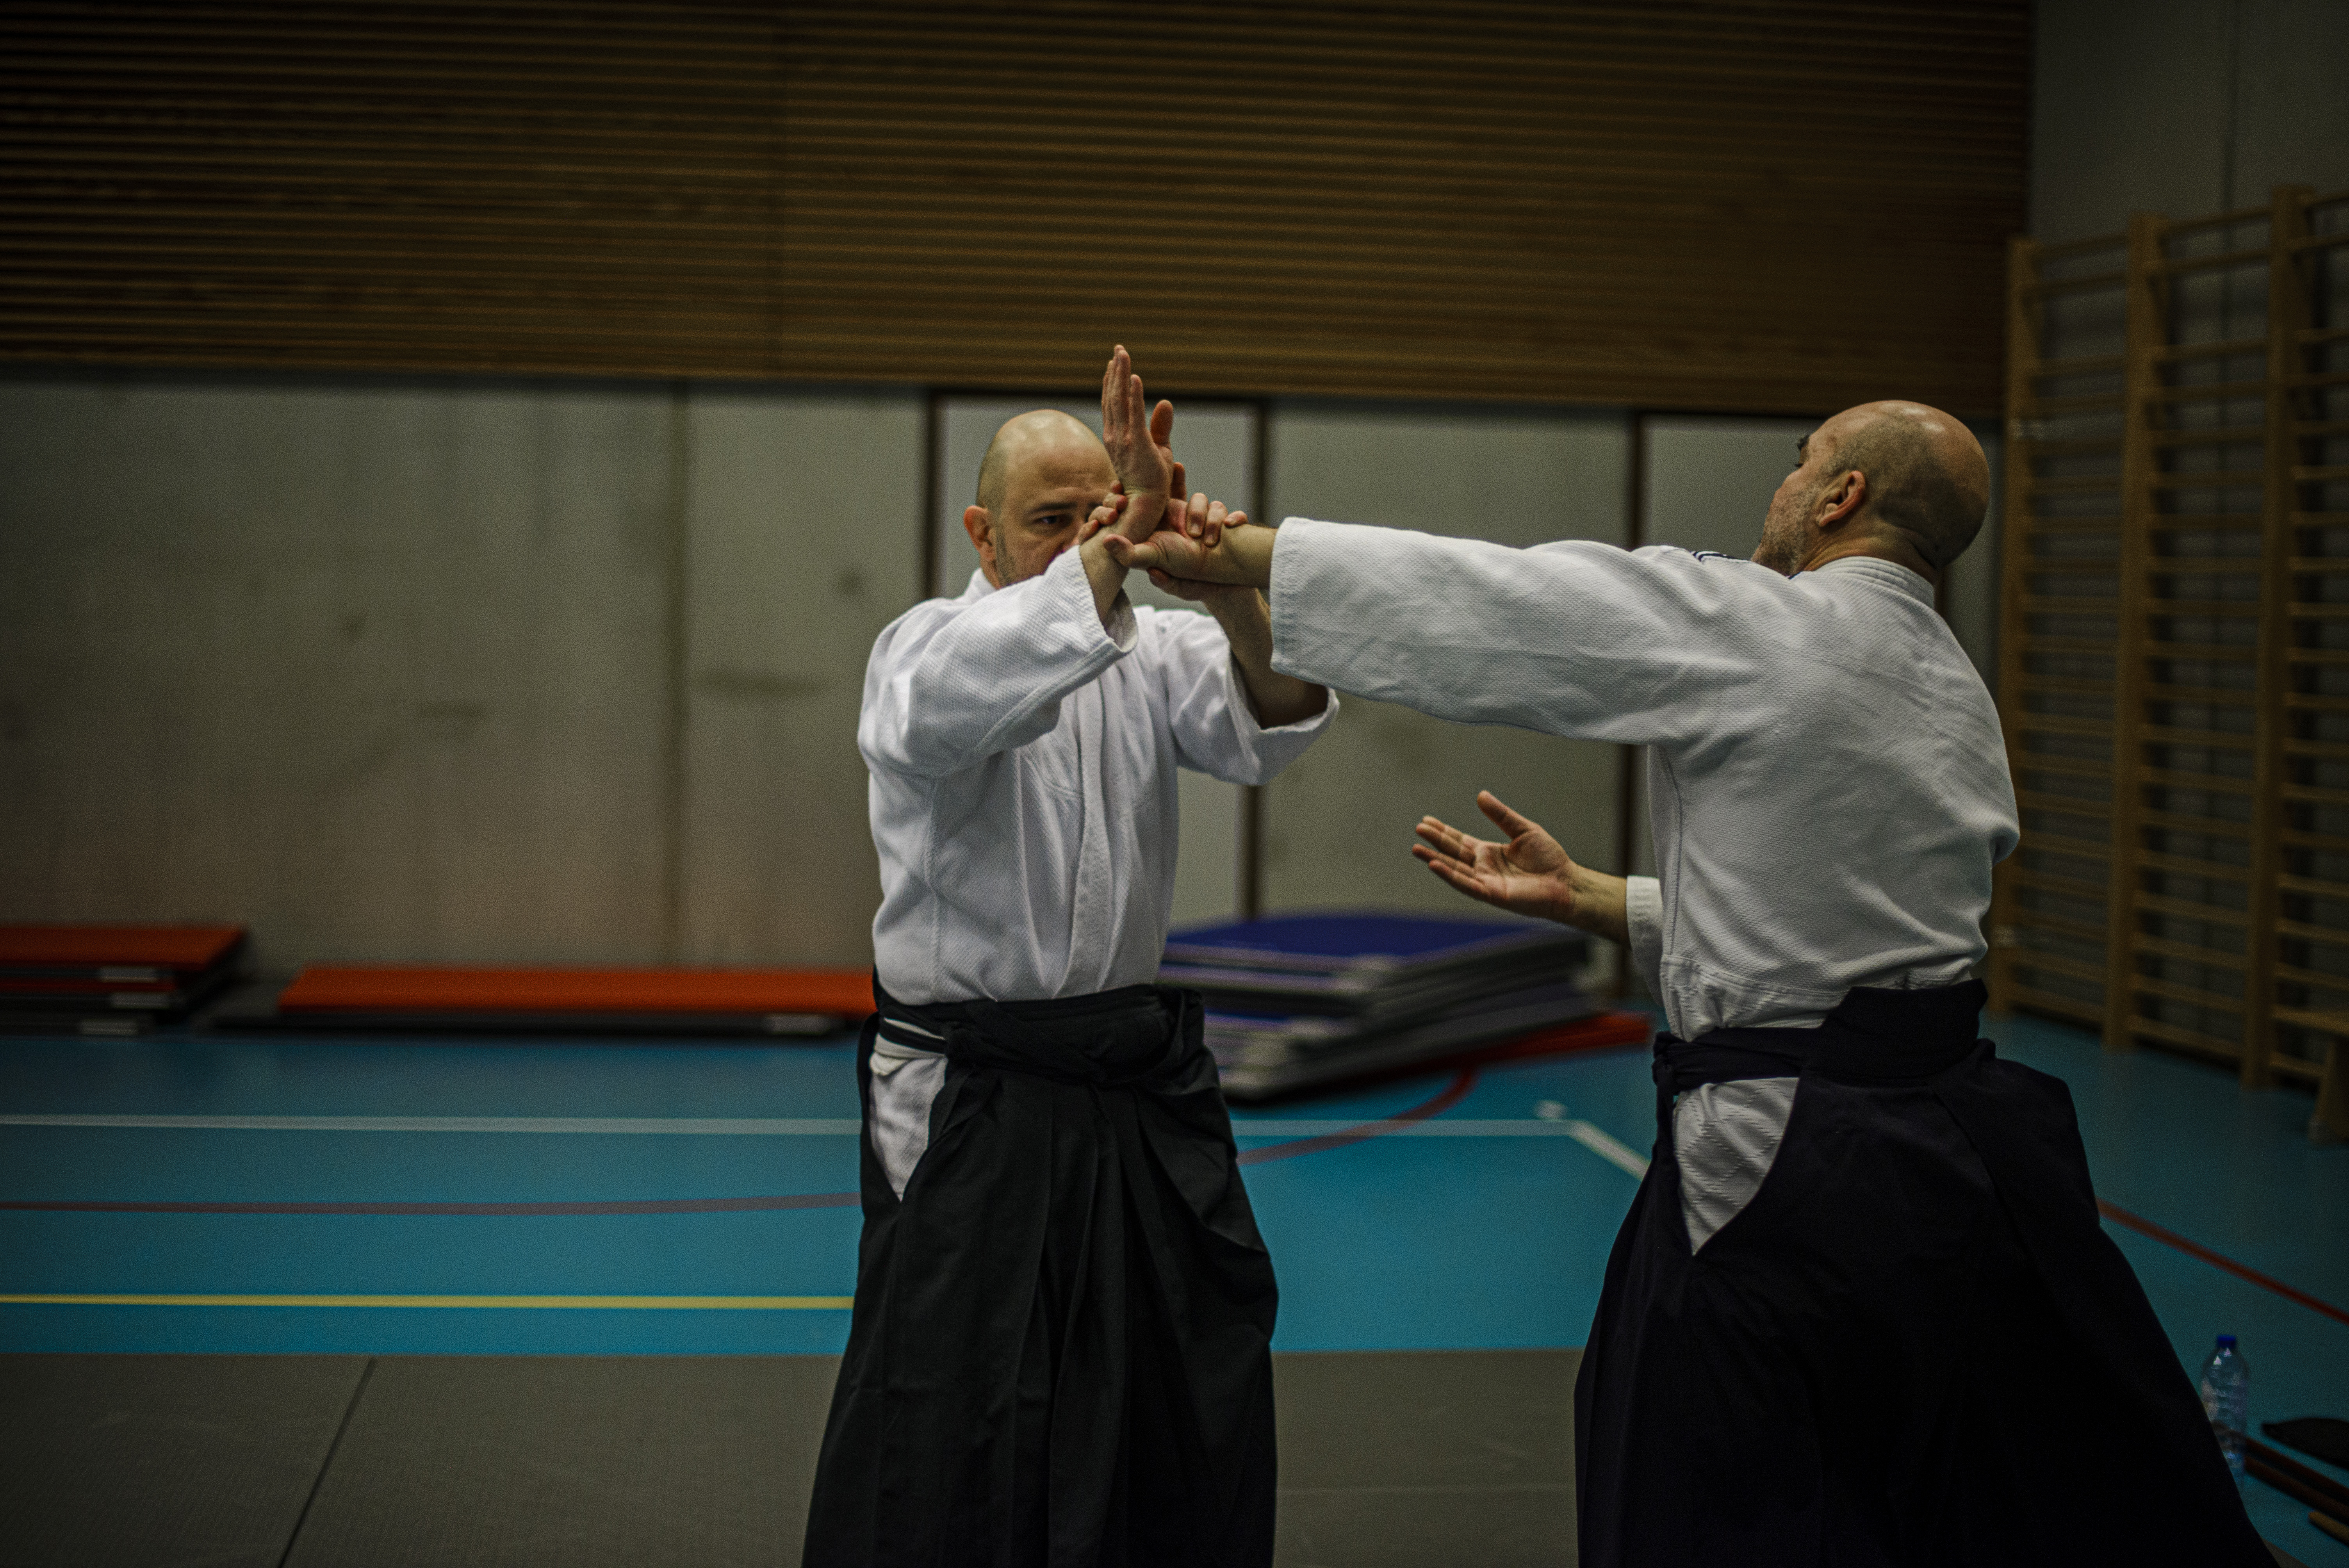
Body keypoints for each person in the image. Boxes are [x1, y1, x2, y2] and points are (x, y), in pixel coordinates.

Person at [1103, 352, 2271, 1566]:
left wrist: (1230, 553)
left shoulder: (1766, 623)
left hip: (1788, 1162)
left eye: (1802, 458)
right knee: (1924, 1485)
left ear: (1840, 498)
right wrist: (1602, 900)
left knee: (1704, 1478)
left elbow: (1510, 602)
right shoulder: (1953, 690)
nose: (1786, 481)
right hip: (1954, 1167)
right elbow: (1845, 939)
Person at [801, 390, 1333, 1568]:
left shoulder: (1153, 649)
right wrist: (1099, 564)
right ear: (981, 535)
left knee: (1171, 1381)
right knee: (955, 1406)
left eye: (1103, 511)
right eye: (1052, 518)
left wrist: (1223, 585)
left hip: (1129, 1075)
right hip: (972, 1094)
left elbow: (1276, 713)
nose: (1090, 538)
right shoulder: (926, 649)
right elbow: (959, 706)